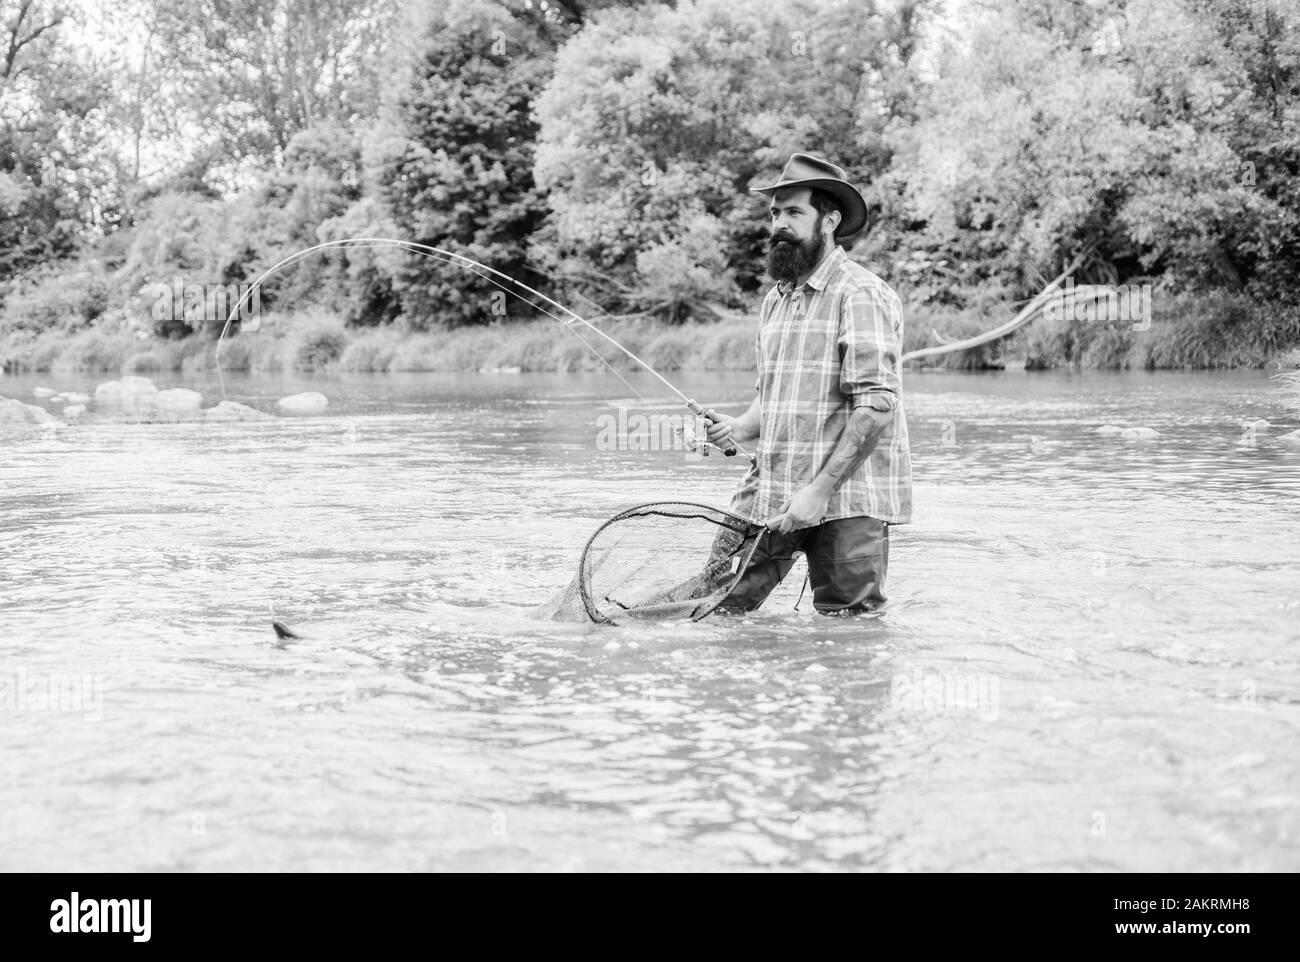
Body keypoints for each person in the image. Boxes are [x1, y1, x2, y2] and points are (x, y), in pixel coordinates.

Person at [704, 152, 912, 615]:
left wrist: (819, 492)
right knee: (716, 609)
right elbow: (770, 401)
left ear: (830, 219)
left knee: (848, 631)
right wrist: (737, 429)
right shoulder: (774, 302)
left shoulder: (861, 293)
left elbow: (877, 406)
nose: (779, 223)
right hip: (772, 488)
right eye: (775, 212)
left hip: (848, 502)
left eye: (794, 212)